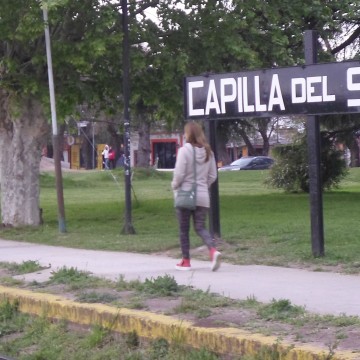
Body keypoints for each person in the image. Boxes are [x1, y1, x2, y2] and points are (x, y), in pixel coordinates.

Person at [171, 122, 221, 271]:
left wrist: (174, 185)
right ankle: (213, 250)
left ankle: (185, 261)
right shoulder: (208, 152)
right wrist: (203, 186)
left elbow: (179, 173)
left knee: (183, 229)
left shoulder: (184, 151)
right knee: (200, 227)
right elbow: (212, 175)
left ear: (188, 134)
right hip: (203, 196)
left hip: (185, 194)